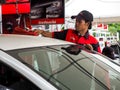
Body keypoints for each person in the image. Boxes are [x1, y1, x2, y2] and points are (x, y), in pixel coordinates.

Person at [34, 10, 101, 53]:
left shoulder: (94, 42)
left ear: (87, 24)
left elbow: (100, 62)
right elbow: (52, 34)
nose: (76, 23)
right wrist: (41, 32)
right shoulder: (68, 33)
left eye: (79, 21)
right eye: (76, 20)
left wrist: (91, 52)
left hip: (83, 73)